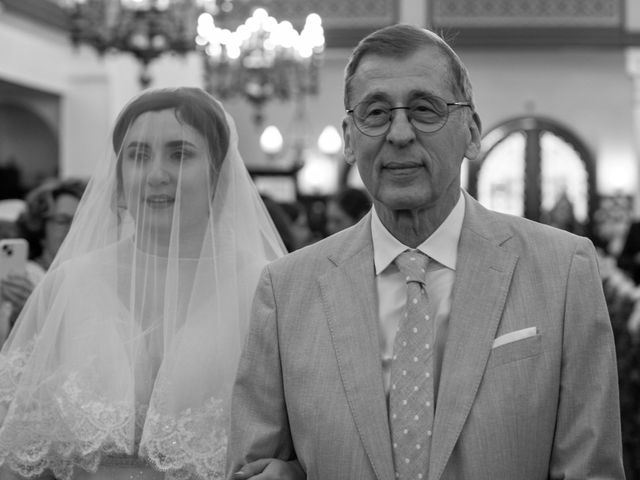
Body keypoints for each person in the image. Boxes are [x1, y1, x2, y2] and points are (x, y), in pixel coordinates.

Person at [227, 25, 625, 479]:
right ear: (350, 137)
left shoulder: (562, 270)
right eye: (375, 112)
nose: (399, 133)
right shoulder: (286, 291)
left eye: (425, 109)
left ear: (472, 132)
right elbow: (254, 467)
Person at [0, 87, 302, 480]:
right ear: (119, 177)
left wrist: (293, 471)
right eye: (138, 156)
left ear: (218, 174)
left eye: (180, 154)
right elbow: (19, 444)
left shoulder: (268, 289)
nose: (157, 175)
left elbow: (315, 437)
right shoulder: (68, 284)